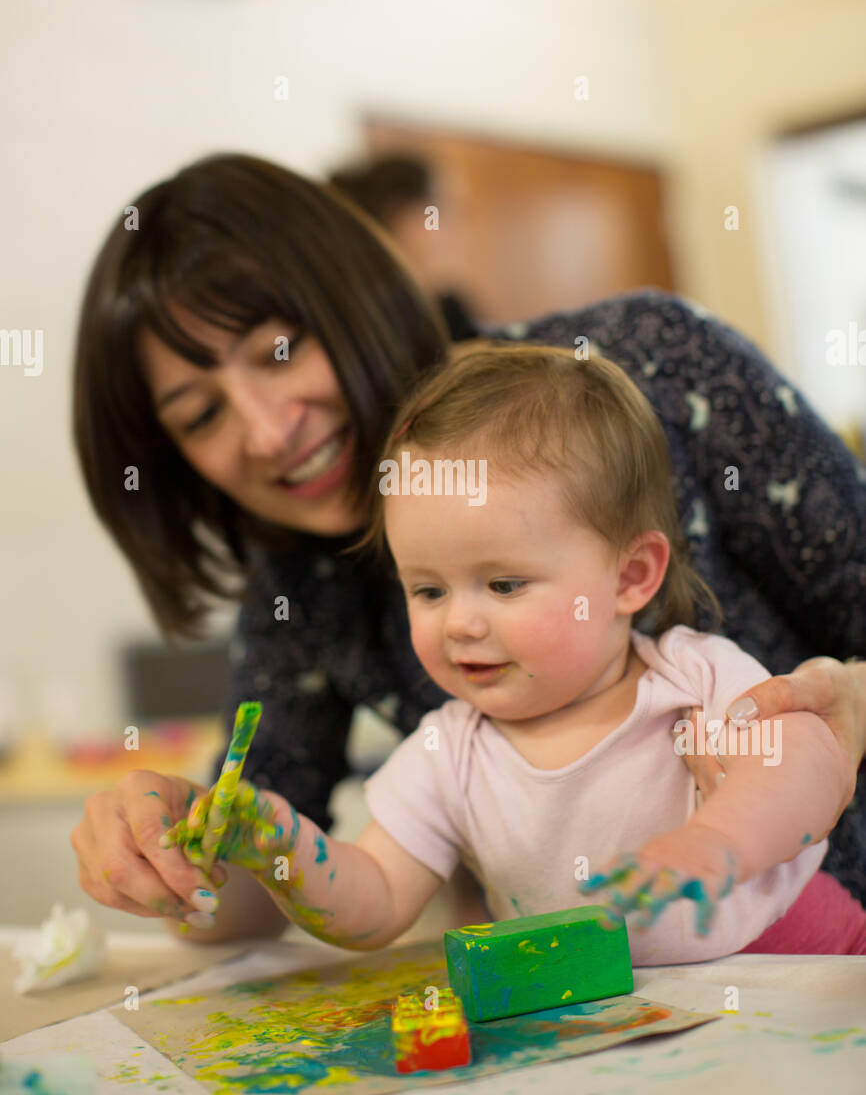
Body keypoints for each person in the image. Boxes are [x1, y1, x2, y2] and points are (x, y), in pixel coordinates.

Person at [70, 152, 866, 941]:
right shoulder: (328, 614)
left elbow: (797, 752)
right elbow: (324, 892)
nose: (270, 431)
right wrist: (191, 850)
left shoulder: (688, 654)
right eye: (201, 415)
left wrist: (725, 832)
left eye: (280, 351)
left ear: (635, 574)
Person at [162, 343, 864, 958]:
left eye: (502, 584)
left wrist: (716, 844)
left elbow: (808, 760)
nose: (460, 623)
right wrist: (281, 852)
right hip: (627, 1030)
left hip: (808, 965)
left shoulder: (693, 677)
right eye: (428, 591)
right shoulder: (447, 754)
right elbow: (374, 903)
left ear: (630, 577)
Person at [327, 153, 478, 341]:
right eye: (436, 211)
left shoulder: (451, 311)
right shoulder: (357, 326)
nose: (454, 227)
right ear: (394, 216)